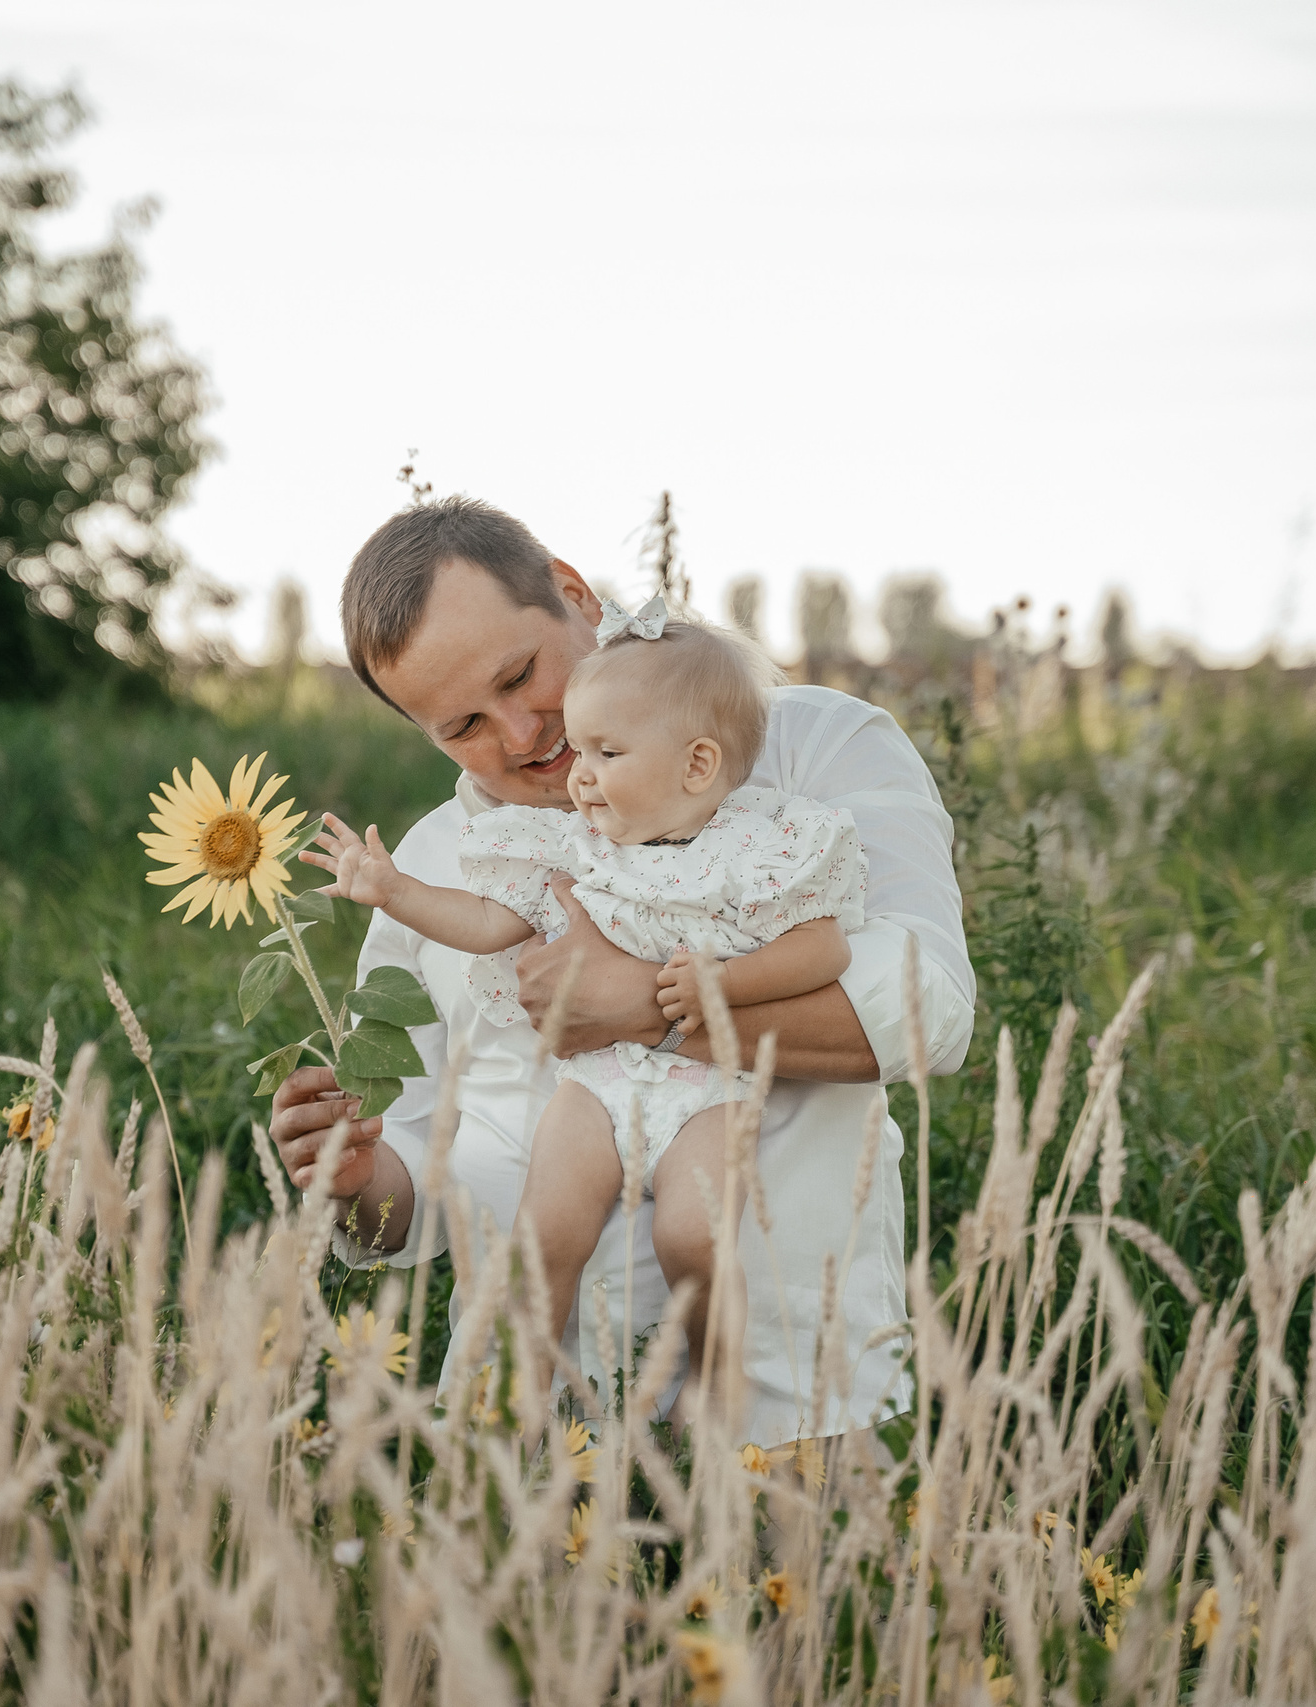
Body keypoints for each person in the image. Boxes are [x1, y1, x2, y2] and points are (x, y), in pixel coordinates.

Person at [268, 496, 974, 1447]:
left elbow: (927, 1002)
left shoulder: (809, 751)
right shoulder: (433, 872)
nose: (521, 734)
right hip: (537, 1435)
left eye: (522, 675)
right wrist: (358, 1180)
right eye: (464, 724)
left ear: (573, 593)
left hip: (789, 1406)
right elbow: (425, 1189)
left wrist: (652, 1006)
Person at [302, 602, 867, 1392]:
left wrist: (721, 985)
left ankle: (718, 1390)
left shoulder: (758, 845)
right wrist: (394, 891)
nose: (574, 766)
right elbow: (485, 919)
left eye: (605, 750)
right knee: (546, 1228)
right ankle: (525, 1387)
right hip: (595, 1086)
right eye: (464, 722)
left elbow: (822, 946)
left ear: (697, 766)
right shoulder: (570, 845)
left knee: (695, 1234)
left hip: (708, 1090)